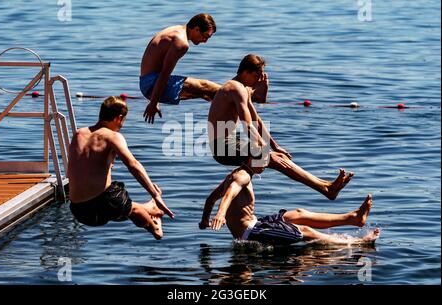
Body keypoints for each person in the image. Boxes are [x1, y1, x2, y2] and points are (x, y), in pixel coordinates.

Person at [208, 53, 354, 200]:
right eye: (257, 76)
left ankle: (325, 185)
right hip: (222, 148)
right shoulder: (235, 88)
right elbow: (248, 125)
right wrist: (265, 149)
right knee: (275, 159)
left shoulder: (242, 89)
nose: (259, 80)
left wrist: (275, 146)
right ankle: (326, 189)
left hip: (233, 142)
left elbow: (256, 121)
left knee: (280, 156)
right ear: (245, 72)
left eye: (262, 76)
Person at [67, 96, 174, 240]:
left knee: (125, 206)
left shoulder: (78, 134)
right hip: (103, 204)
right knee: (126, 205)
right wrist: (155, 194)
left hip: (78, 210)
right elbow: (133, 165)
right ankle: (154, 227)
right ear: (119, 118)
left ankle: (150, 208)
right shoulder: (113, 136)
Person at [199, 165, 380, 245]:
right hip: (251, 233)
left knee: (297, 214)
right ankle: (356, 243)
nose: (266, 165)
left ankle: (353, 218)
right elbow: (230, 192)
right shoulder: (243, 176)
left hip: (256, 223)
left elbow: (211, 198)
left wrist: (204, 221)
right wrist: (220, 214)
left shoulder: (236, 173)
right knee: (305, 231)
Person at [140, 13, 221, 124]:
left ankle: (222, 127)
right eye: (205, 36)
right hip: (151, 84)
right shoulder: (181, 43)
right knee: (210, 88)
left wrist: (154, 99)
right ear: (196, 29)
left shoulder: (176, 30)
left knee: (205, 93)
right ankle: (242, 97)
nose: (205, 41)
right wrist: (153, 102)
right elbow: (164, 74)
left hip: (147, 83)